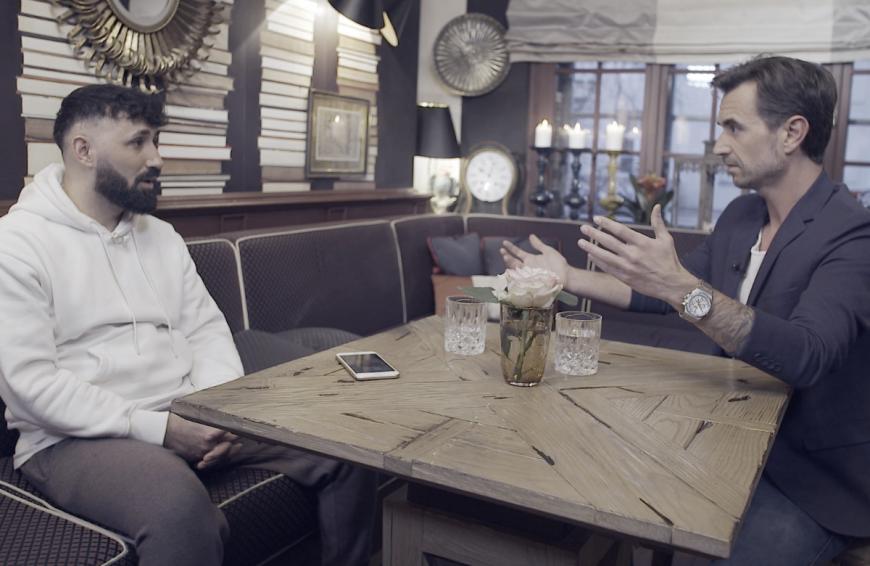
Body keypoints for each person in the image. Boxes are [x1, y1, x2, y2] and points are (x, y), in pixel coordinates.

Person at [502, 56, 870, 564]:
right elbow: (665, 289)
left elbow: (808, 355)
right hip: (722, 441)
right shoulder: (742, 215)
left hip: (808, 481)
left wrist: (681, 289)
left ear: (792, 133)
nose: (718, 144)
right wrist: (567, 277)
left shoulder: (852, 232)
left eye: (734, 127)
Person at [0, 84, 376, 566]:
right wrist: (162, 430)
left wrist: (215, 413)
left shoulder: (161, 236)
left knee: (347, 443)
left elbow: (205, 330)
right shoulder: (18, 244)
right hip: (73, 440)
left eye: (156, 140)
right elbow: (32, 384)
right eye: (138, 142)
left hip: (187, 413)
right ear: (83, 150)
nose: (156, 158)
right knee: (179, 513)